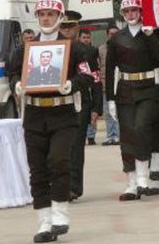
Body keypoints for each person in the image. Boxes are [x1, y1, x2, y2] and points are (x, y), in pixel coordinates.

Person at [9, 0, 93, 243]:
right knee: (37, 170)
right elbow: (13, 72)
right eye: (42, 14)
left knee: (58, 161)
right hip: (34, 115)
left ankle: (60, 214)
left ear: (59, 17)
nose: (46, 18)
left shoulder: (74, 47)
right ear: (37, 17)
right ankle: (44, 221)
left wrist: (72, 84)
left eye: (51, 14)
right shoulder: (26, 48)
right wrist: (17, 86)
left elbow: (88, 75)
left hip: (63, 114)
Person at [104, 0, 159, 201]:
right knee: (128, 135)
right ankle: (131, 182)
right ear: (123, 14)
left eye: (135, 10)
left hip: (149, 89)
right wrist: (111, 99)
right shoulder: (117, 38)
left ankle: (143, 175)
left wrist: (150, 36)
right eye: (127, 11)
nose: (131, 14)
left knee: (141, 127)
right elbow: (109, 70)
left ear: (141, 12)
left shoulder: (151, 33)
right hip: (125, 89)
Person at [58, 12, 103, 202]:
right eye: (63, 27)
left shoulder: (88, 51)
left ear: (77, 28)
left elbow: (95, 81)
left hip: (79, 102)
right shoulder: (53, 48)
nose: (67, 31)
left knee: (76, 146)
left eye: (70, 27)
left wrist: (96, 108)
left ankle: (74, 188)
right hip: (57, 103)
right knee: (59, 147)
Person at [78, 28, 103, 146]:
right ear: (79, 38)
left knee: (92, 111)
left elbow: (96, 72)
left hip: (89, 83)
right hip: (75, 85)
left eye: (88, 38)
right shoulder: (73, 49)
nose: (86, 40)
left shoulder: (93, 51)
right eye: (84, 37)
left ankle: (91, 136)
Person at [99, 25, 121, 146]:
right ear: (107, 35)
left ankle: (118, 135)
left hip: (120, 84)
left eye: (115, 34)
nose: (113, 36)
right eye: (111, 34)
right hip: (105, 84)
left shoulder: (123, 46)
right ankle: (110, 136)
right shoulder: (101, 50)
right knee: (108, 112)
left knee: (119, 111)